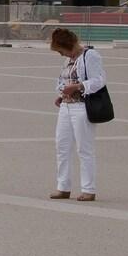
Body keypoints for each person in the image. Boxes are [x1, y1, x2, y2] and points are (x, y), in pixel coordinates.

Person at [49, 28, 104, 201]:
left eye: (60, 50)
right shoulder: (68, 60)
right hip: (66, 106)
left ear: (68, 45)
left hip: (82, 106)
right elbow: (61, 80)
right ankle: (63, 186)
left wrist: (78, 87)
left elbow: (99, 81)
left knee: (84, 148)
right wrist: (61, 94)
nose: (60, 54)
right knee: (62, 147)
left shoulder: (90, 56)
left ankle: (88, 189)